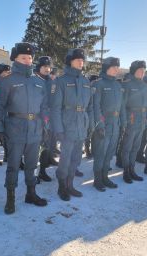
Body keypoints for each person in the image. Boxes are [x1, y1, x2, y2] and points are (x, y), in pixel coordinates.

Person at [0, 42, 49, 214]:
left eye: (30, 57)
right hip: (15, 128)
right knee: (13, 166)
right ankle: (10, 199)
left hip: (35, 128)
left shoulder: (39, 81)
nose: (27, 60)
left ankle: (31, 194)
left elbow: (44, 107)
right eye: (23, 57)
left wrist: (46, 125)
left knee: (32, 164)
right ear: (15, 59)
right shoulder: (7, 80)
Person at [50, 48, 94, 201]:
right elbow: (55, 108)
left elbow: (89, 106)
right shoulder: (60, 81)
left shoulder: (86, 81)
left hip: (81, 124)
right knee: (65, 157)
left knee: (76, 158)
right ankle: (62, 186)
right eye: (78, 60)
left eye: (82, 60)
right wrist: (58, 130)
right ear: (70, 61)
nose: (81, 62)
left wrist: (89, 124)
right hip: (67, 125)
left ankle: (70, 184)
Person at [92, 57, 126, 191]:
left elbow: (122, 106)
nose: (116, 70)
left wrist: (123, 123)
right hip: (104, 123)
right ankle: (98, 179)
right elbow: (96, 106)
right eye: (114, 67)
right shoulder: (98, 84)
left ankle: (105, 177)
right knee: (100, 153)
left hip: (115, 124)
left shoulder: (118, 85)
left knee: (110, 153)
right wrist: (99, 125)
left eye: (117, 67)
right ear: (106, 68)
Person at [121, 60, 147, 183]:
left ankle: (132, 169)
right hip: (131, 117)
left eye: (144, 71)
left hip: (141, 118)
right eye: (140, 70)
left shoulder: (143, 85)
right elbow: (123, 105)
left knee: (136, 147)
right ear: (134, 71)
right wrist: (126, 120)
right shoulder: (127, 84)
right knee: (127, 147)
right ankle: (126, 171)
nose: (142, 73)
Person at [35, 56, 58, 182]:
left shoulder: (53, 82)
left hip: (50, 119)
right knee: (35, 148)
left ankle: (43, 170)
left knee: (47, 145)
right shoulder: (33, 80)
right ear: (39, 67)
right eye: (44, 66)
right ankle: (33, 174)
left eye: (49, 67)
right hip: (35, 119)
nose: (47, 69)